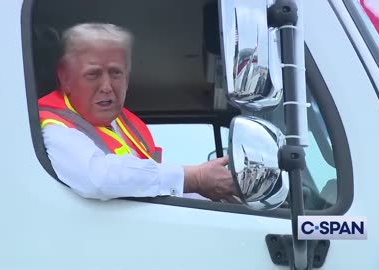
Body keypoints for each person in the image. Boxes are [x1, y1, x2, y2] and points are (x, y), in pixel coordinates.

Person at [39, 22, 235, 201]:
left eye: (116, 73)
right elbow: (98, 179)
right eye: (93, 74)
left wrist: (217, 196)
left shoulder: (128, 124)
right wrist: (195, 178)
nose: (107, 86)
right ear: (65, 78)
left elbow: (153, 187)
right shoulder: (52, 124)